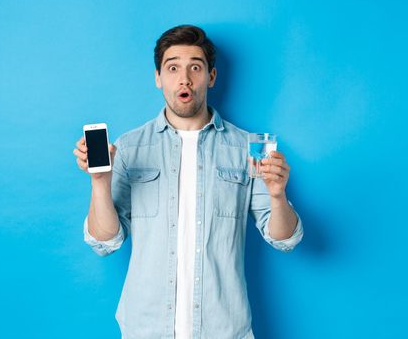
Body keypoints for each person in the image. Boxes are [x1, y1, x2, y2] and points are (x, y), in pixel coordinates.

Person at [73, 25, 303, 339]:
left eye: (195, 67)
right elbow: (105, 241)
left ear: (211, 76)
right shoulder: (129, 147)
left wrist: (277, 196)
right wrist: (100, 182)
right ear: (158, 77)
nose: (184, 78)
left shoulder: (247, 147)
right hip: (145, 330)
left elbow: (285, 239)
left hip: (224, 331)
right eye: (173, 68)